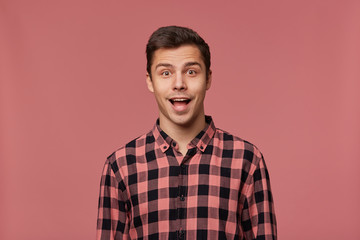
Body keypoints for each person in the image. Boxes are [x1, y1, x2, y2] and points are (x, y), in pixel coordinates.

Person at [96, 26, 277, 240]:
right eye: (166, 73)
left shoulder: (246, 160)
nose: (179, 84)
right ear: (149, 81)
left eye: (191, 72)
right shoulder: (121, 166)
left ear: (208, 79)